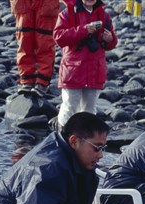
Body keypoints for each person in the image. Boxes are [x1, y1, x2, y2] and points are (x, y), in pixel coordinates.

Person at [54, 0, 118, 131]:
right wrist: (84, 30)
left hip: (94, 70)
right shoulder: (67, 14)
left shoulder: (104, 16)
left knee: (90, 110)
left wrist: (111, 39)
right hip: (73, 70)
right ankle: (63, 136)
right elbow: (58, 37)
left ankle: (84, 142)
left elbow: (111, 44)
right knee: (70, 106)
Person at [9, 0, 60, 96]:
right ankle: (27, 80)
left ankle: (42, 82)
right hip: (23, 3)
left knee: (45, 45)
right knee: (24, 43)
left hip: (46, 4)